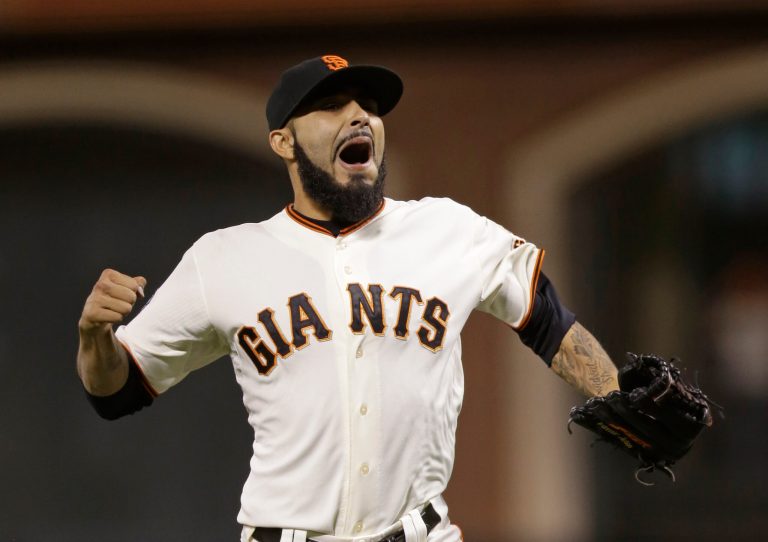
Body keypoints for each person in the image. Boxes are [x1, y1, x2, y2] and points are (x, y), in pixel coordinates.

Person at [77, 54, 619, 542]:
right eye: (332, 106)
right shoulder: (223, 258)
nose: (359, 117)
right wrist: (94, 337)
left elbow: (545, 316)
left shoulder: (446, 228)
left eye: (370, 107)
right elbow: (116, 390)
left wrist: (617, 398)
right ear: (283, 141)